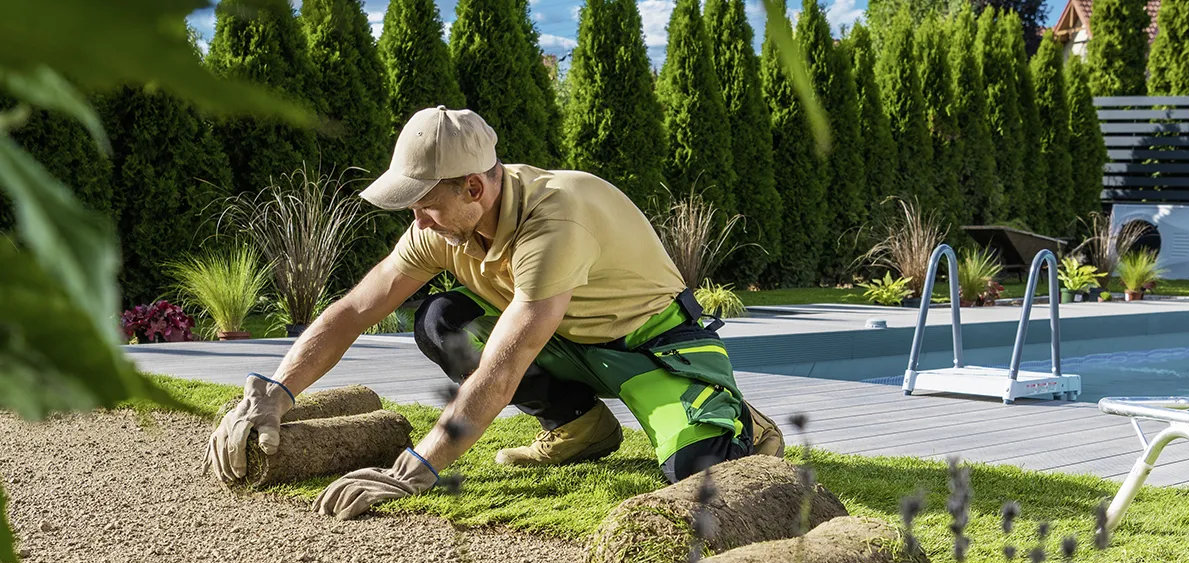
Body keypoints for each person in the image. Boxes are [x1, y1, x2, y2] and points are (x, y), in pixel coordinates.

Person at [204, 106, 782, 519]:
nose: (418, 222)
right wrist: (273, 392)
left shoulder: (556, 220)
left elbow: (502, 370)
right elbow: (356, 308)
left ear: (474, 188)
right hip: (563, 340)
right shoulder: (442, 226)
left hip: (646, 347)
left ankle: (742, 424)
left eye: (426, 206)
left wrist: (412, 469)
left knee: (701, 476)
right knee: (440, 321)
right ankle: (580, 427)